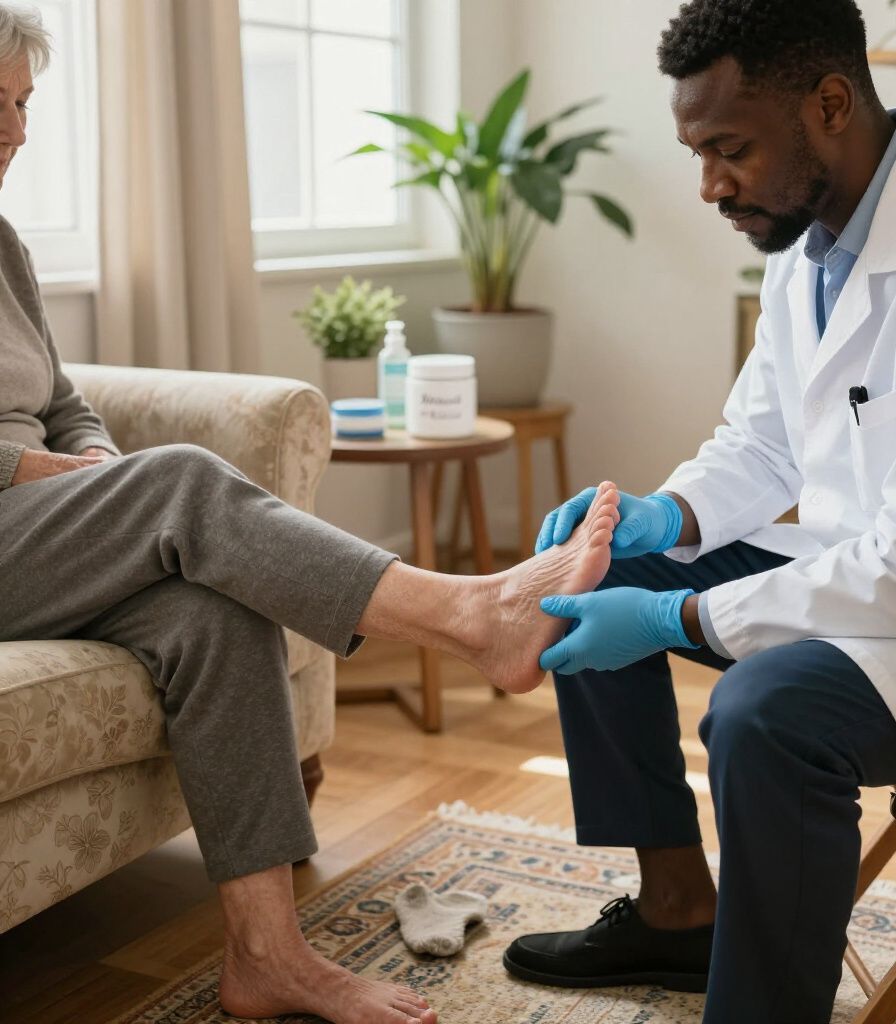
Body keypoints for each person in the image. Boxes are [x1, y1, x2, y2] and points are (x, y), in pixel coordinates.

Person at [0, 7, 623, 1023]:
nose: (17, 131)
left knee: (212, 611)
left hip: (40, 530)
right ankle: (473, 614)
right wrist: (49, 474)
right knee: (187, 484)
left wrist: (95, 466)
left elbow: (63, 397)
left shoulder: (2, 245)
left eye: (24, 104)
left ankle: (267, 956)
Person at [504, 1, 896, 1021]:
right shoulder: (807, 239)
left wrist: (679, 619)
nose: (709, 185)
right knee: (592, 576)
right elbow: (764, 440)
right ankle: (675, 911)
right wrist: (663, 516)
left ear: (829, 103)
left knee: (764, 712)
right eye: (698, 152)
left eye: (728, 149)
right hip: (867, 565)